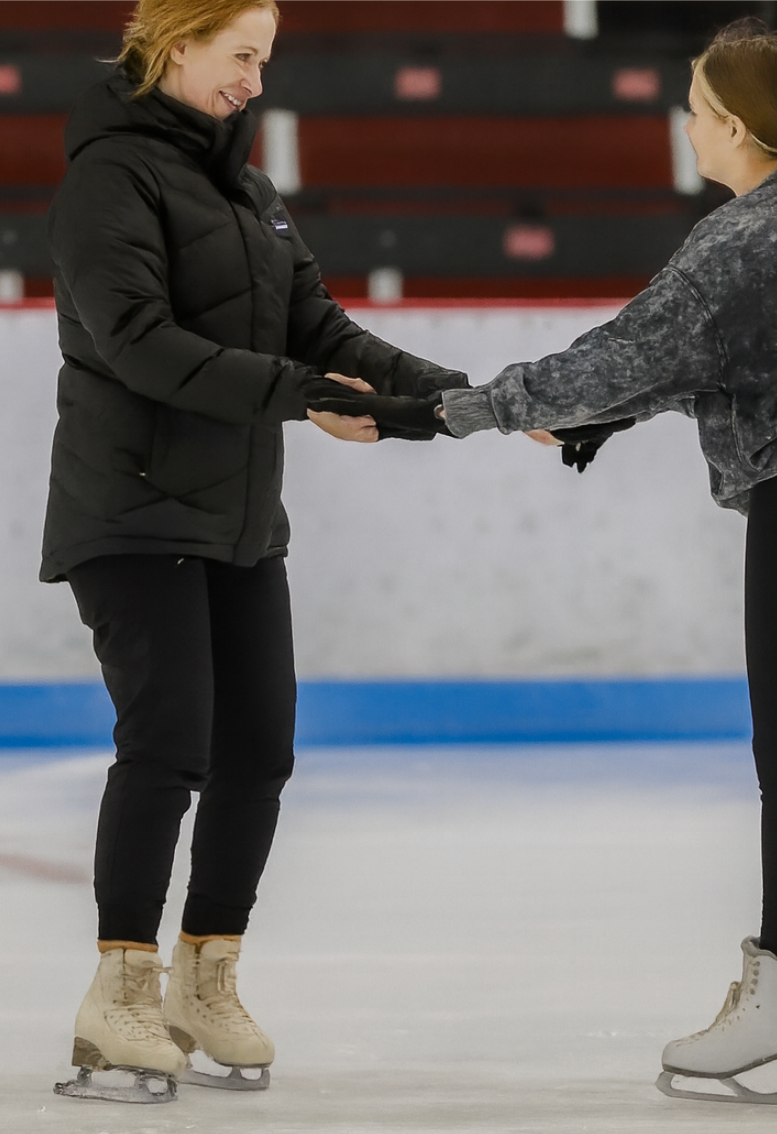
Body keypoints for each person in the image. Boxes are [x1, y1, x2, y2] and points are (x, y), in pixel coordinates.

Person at [308, 21, 777, 1116]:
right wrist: (610, 424)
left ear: (729, 123)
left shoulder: (741, 238)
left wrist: (419, 419)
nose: (683, 124)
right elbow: (721, 361)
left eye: (692, 106)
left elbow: (615, 357)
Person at [43, 0, 467, 1105]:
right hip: (131, 512)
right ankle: (119, 996)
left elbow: (318, 327)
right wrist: (302, 399)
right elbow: (138, 343)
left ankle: (204, 979)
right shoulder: (109, 181)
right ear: (176, 44)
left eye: (265, 61)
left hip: (235, 518)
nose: (255, 80)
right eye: (241, 57)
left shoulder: (246, 187)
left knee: (260, 752)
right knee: (170, 743)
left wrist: (463, 398)